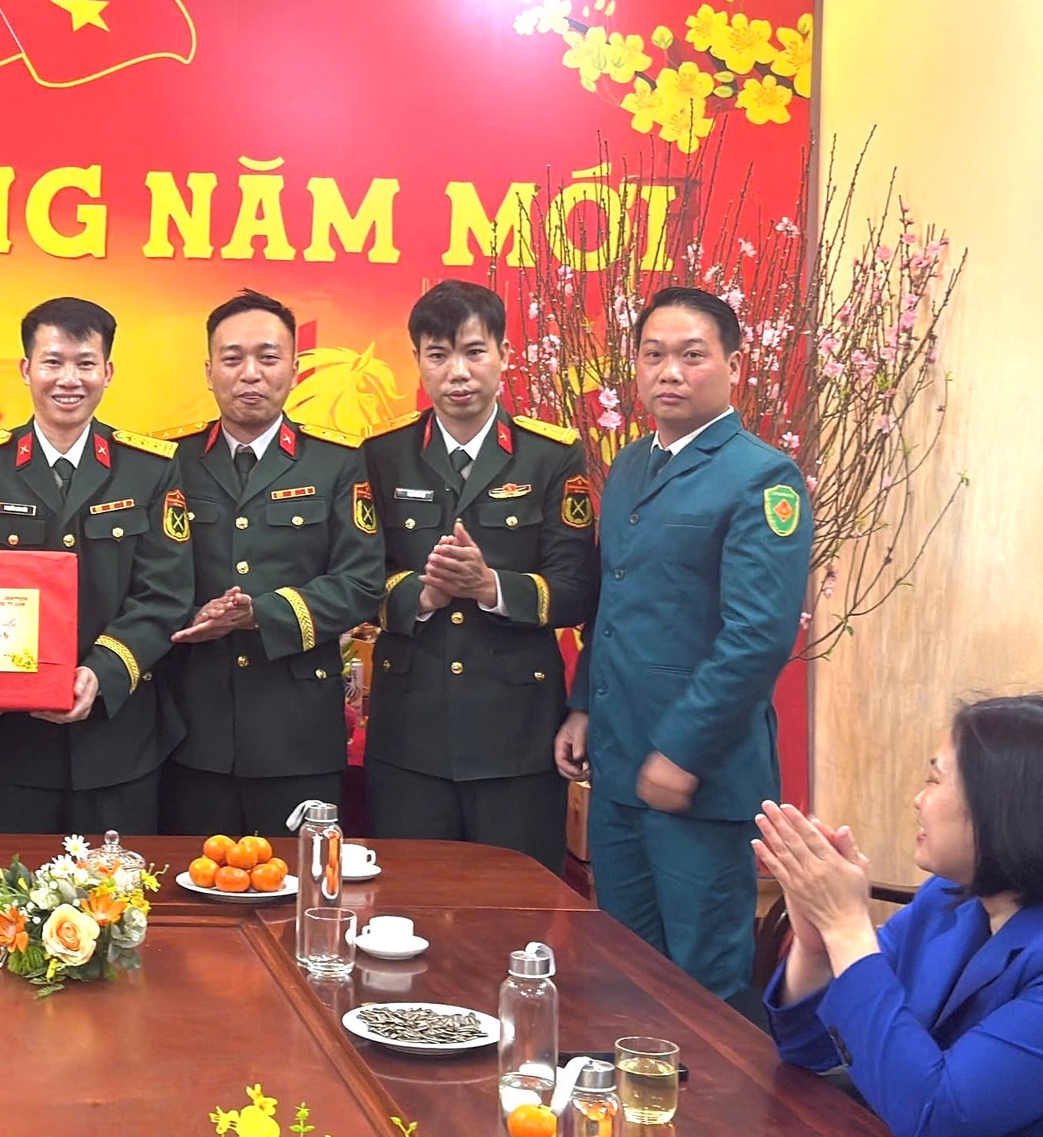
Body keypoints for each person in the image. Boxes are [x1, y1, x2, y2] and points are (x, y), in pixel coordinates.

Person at [556, 285, 810, 1015]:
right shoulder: (632, 466)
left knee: (703, 986)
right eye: (653, 355)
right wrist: (583, 707)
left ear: (734, 366)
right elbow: (612, 605)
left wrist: (682, 753)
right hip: (618, 767)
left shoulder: (762, 477)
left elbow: (758, 636)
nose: (670, 371)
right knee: (623, 969)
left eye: (692, 355)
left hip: (698, 780)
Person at [363, 280, 597, 874]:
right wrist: (424, 594)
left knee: (517, 904)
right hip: (410, 733)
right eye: (438, 355)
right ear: (418, 361)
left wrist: (491, 588)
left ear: (504, 355)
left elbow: (577, 589)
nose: (458, 372)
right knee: (407, 902)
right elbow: (358, 580)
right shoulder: (382, 455)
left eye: (474, 351)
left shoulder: (551, 455)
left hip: (517, 734)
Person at [0, 298, 193, 834]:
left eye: (85, 363)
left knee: (118, 887)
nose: (68, 379)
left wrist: (101, 672)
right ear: (26, 369)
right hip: (9, 748)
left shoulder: (150, 470)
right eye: (52, 362)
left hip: (119, 741)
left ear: (108, 372)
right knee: (8, 885)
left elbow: (165, 595)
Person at [761, 694, 1043, 1137]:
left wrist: (847, 929)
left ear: (1003, 808)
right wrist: (818, 948)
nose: (918, 800)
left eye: (934, 781)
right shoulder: (945, 898)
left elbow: (939, 1118)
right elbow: (808, 1048)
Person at [158, 290, 386, 837]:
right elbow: (144, 579)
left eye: (268, 357)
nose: (250, 374)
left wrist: (261, 614)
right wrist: (194, 616)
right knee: (187, 883)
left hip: (297, 732)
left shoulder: (337, 462)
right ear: (209, 371)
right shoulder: (168, 462)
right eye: (233, 359)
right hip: (189, 728)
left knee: (297, 883)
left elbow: (361, 584)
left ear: (294, 368)